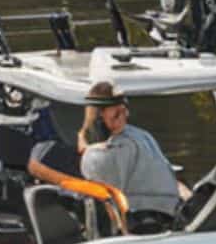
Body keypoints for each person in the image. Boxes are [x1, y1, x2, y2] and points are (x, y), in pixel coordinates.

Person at [77, 81, 189, 233]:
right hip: (167, 214)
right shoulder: (142, 135)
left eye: (124, 111)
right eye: (117, 113)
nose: (125, 115)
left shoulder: (104, 154)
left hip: (146, 222)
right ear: (99, 116)